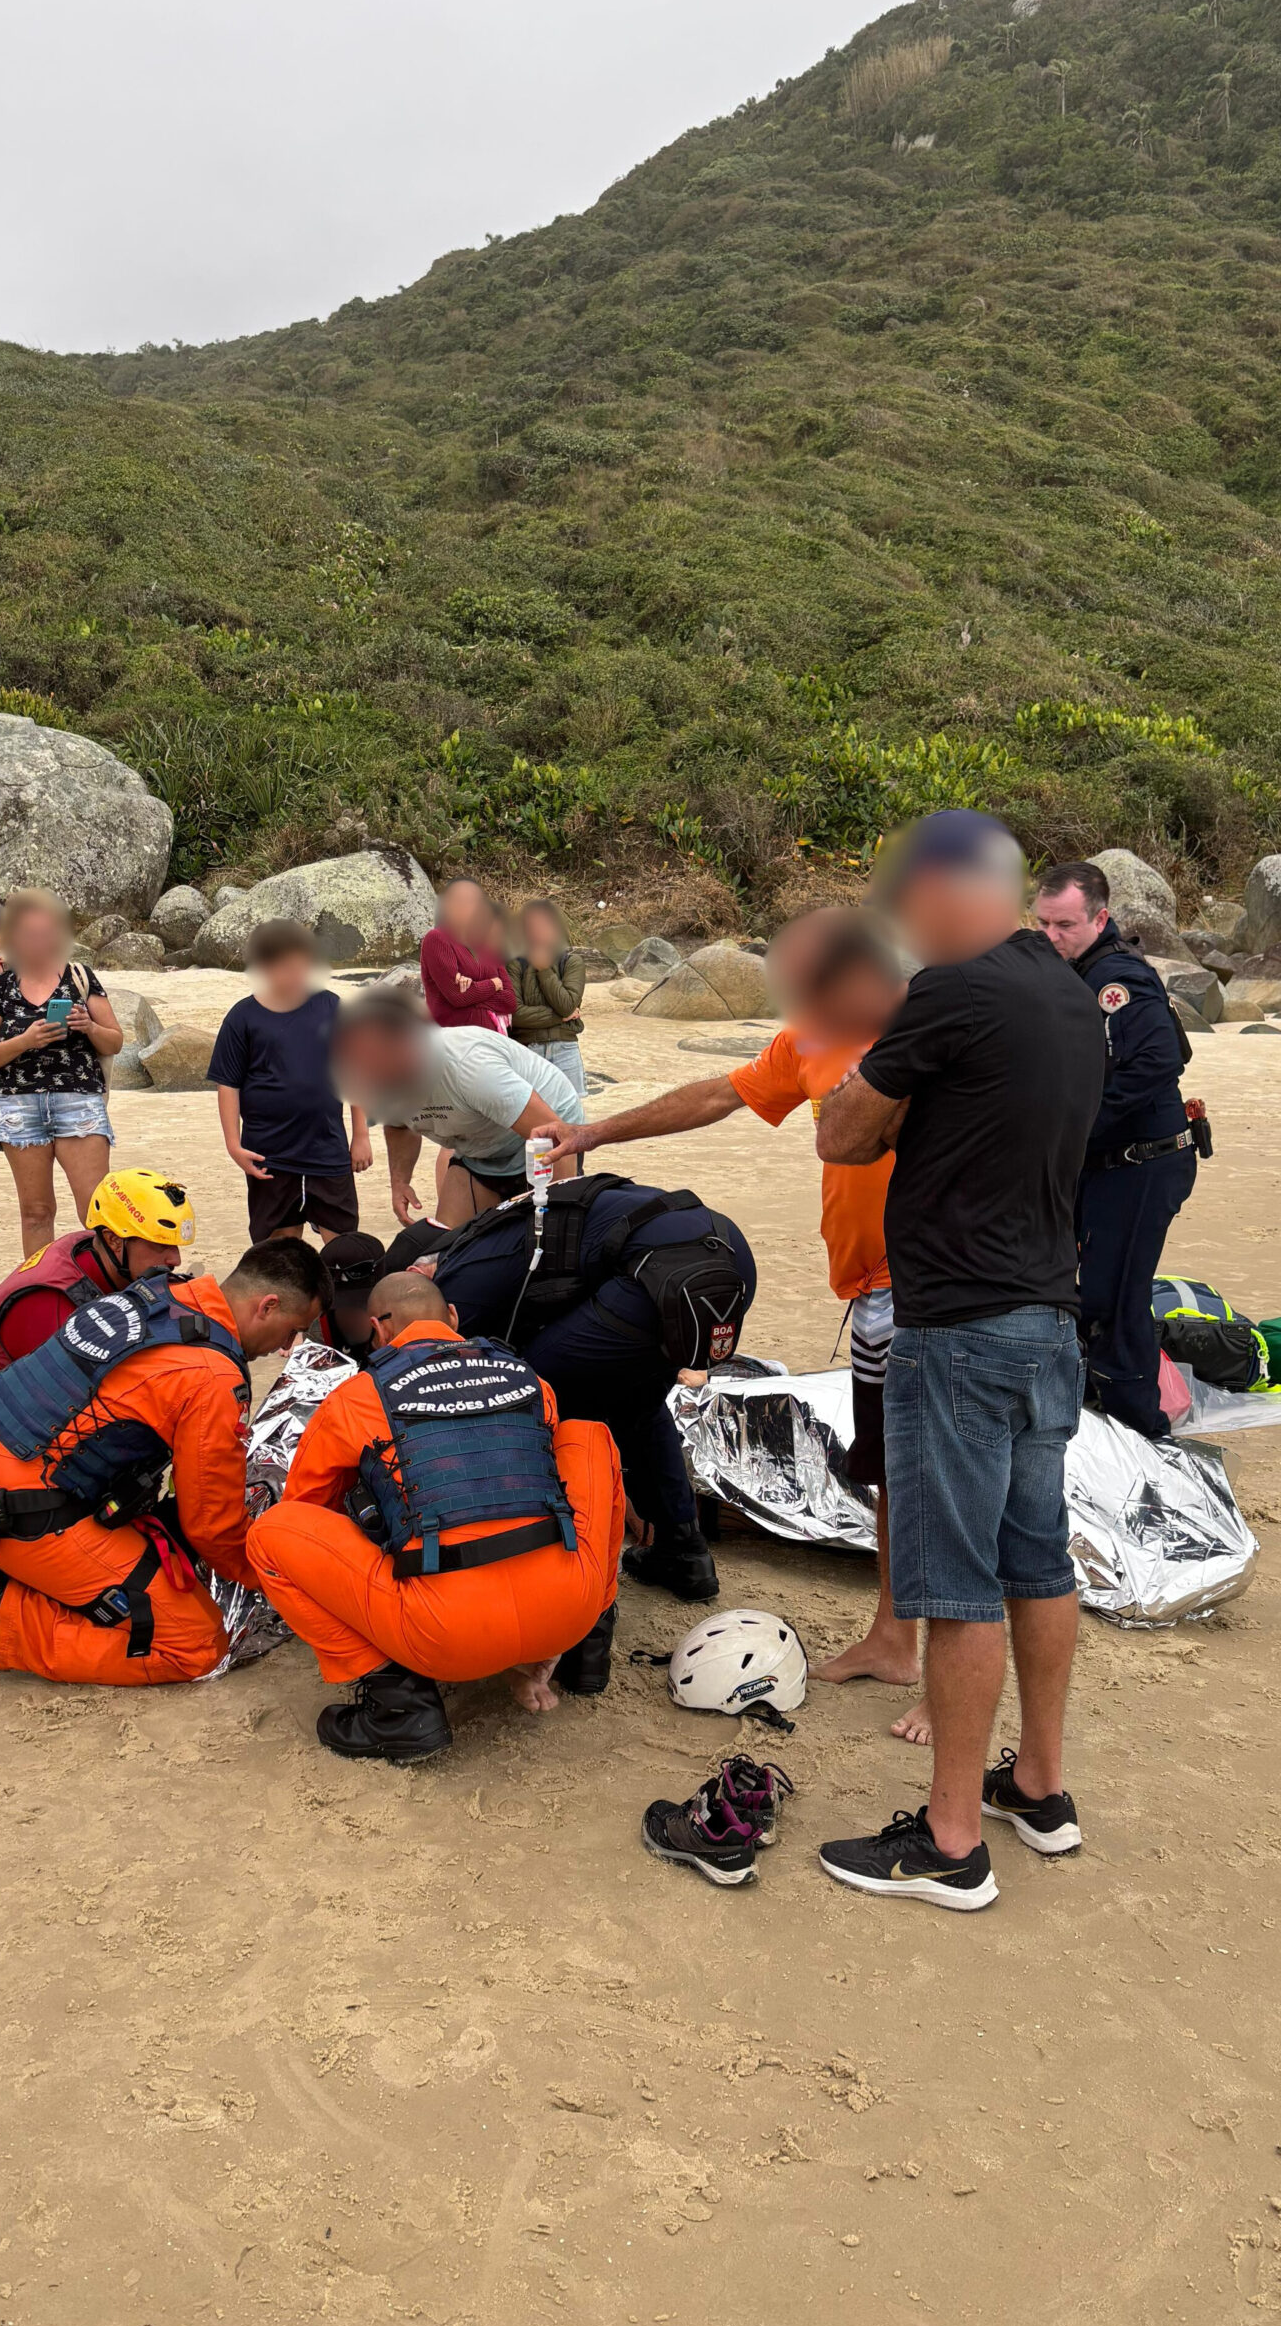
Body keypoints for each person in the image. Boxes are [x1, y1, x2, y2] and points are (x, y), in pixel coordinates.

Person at [534, 905, 926, 1727]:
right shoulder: (815, 1039)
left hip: (934, 1284)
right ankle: (894, 1637)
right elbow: (720, 1094)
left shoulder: (924, 1026)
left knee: (933, 1473)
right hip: (870, 1292)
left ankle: (930, 1648)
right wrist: (595, 1131)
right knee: (894, 1470)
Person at [813, 810, 1102, 1912]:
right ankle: (1039, 1784)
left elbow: (846, 1132)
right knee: (1038, 1557)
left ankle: (949, 1842)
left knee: (958, 1577)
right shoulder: (1068, 995)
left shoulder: (951, 991)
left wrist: (870, 1090)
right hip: (1046, 1319)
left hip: (960, 1327)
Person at [248, 1270, 624, 1762]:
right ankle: (590, 1648)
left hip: (444, 1635)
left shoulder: (359, 1396)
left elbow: (308, 1506)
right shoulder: (529, 1379)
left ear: (378, 1331)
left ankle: (399, 1707)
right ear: (453, 1318)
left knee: (274, 1532)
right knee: (589, 1436)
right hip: (569, 1608)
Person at [0, 1236, 331, 1689]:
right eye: (294, 1329)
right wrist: (270, 1582)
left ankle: (30, 1576)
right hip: (28, 1511)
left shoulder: (160, 1293)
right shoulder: (213, 1377)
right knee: (197, 1646)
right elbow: (212, 1526)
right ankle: (2, 1614)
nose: (287, 1345)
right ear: (268, 1306)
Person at [429, 1172, 756, 1605]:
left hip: (663, 1274)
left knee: (533, 1395)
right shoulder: (488, 1239)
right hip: (730, 1255)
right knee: (638, 1401)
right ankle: (684, 1553)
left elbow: (449, 1389)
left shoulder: (455, 1284)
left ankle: (558, 1556)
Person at [0, 1168, 200, 1583]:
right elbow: (58, 1415)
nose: (174, 1261)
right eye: (160, 1246)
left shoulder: (89, 1252)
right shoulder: (52, 1301)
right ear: (113, 1240)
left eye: (176, 1247)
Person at [1032, 862, 1198, 1439]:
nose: (1051, 937)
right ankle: (1093, 1404)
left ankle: (1142, 1429)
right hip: (1103, 1163)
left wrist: (1080, 1130)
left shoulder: (1116, 980)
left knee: (1113, 1294)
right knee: (1081, 1289)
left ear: (1100, 919)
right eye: (1043, 924)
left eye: (1065, 925)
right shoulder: (1072, 971)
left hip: (1143, 1160)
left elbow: (1160, 1061)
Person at [331, 988, 579, 1228]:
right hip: (479, 1150)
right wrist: (400, 1182)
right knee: (449, 1244)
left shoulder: (469, 1066)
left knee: (542, 1235)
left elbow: (557, 1138)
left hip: (546, 1128)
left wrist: (558, 1216)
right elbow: (398, 1125)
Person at [0, 889, 124, 1255]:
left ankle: (107, 1292)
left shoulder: (79, 977)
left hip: (79, 1101)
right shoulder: (1, 987)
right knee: (36, 1212)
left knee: (97, 1211)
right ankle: (41, 1294)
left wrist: (87, 1027)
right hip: (19, 1106)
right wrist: (26, 1040)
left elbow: (115, 1041)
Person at [209, 919, 372, 1245]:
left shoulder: (331, 1007)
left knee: (342, 1240)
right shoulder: (242, 1017)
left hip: (326, 1146)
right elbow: (228, 1083)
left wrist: (362, 1135)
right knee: (279, 1243)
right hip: (267, 1151)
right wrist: (233, 1145)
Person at [507, 900, 587, 1102]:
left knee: (572, 1122)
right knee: (528, 1121)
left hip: (565, 1050)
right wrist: (562, 1018)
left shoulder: (571, 962)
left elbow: (567, 1005)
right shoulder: (515, 965)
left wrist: (544, 969)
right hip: (527, 1051)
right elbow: (515, 1016)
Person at [420, 877, 517, 1032]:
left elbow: (510, 1001)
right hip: (455, 1042)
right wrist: (493, 984)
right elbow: (457, 997)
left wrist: (474, 990)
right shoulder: (437, 939)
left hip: (491, 1040)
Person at [310, 1229, 387, 1366]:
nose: (352, 1317)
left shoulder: (405, 1321)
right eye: (339, 1306)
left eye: (361, 1305)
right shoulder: (318, 1326)